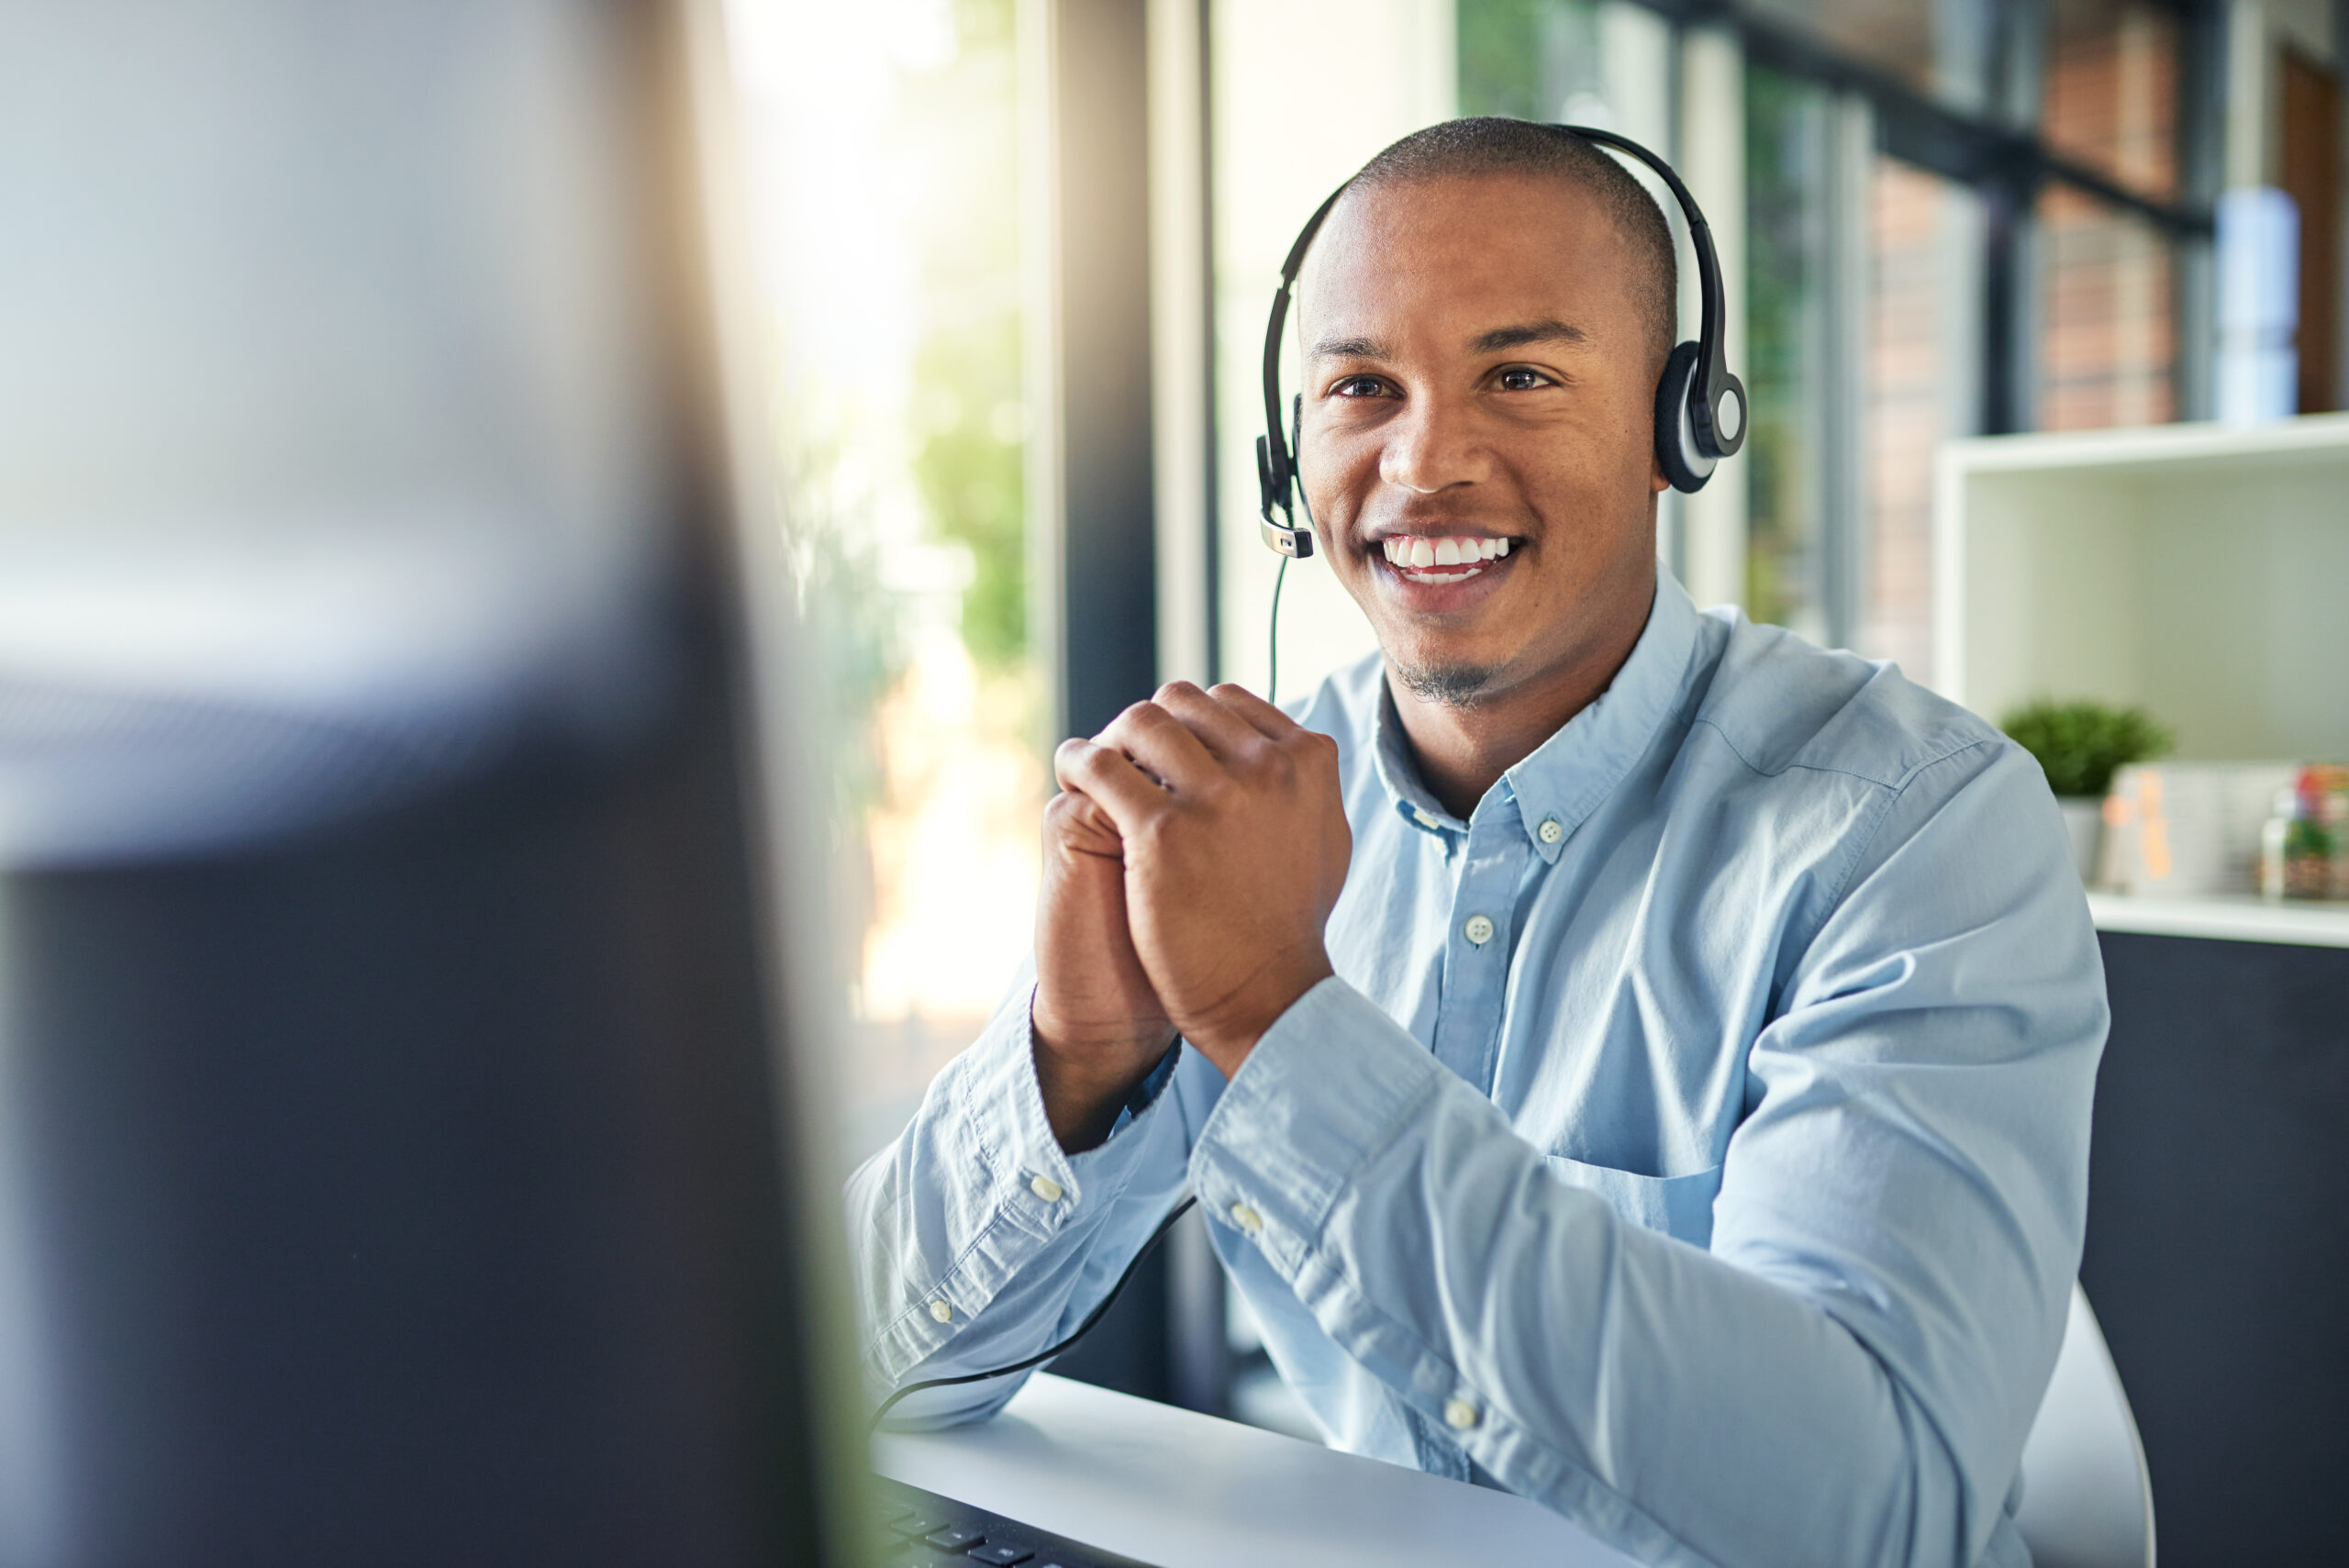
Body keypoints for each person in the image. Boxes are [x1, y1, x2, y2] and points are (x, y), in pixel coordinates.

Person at [848, 117, 2104, 1568]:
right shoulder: (1245, 817)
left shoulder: (1919, 828)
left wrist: (1277, 1018)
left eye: (1520, 375)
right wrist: (1074, 1060)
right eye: (1361, 388)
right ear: (1287, 457)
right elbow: (838, 1366)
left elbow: (1867, 1517)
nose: (1426, 460)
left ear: (1676, 426)